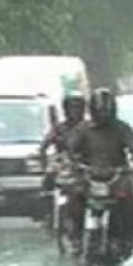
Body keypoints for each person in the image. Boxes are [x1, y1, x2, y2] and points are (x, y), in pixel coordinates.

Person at [68, 88, 133, 261]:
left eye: (106, 111)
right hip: (90, 177)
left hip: (117, 177)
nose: (103, 115)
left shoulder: (121, 128)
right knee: (74, 197)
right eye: (99, 111)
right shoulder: (83, 129)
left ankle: (124, 240)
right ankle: (76, 236)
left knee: (132, 204)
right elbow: (70, 148)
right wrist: (72, 164)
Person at [39, 94, 88, 238]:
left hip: (84, 162)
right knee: (49, 175)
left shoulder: (89, 127)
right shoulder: (59, 128)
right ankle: (47, 211)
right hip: (63, 162)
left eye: (78, 108)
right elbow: (45, 145)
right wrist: (42, 159)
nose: (75, 111)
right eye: (71, 108)